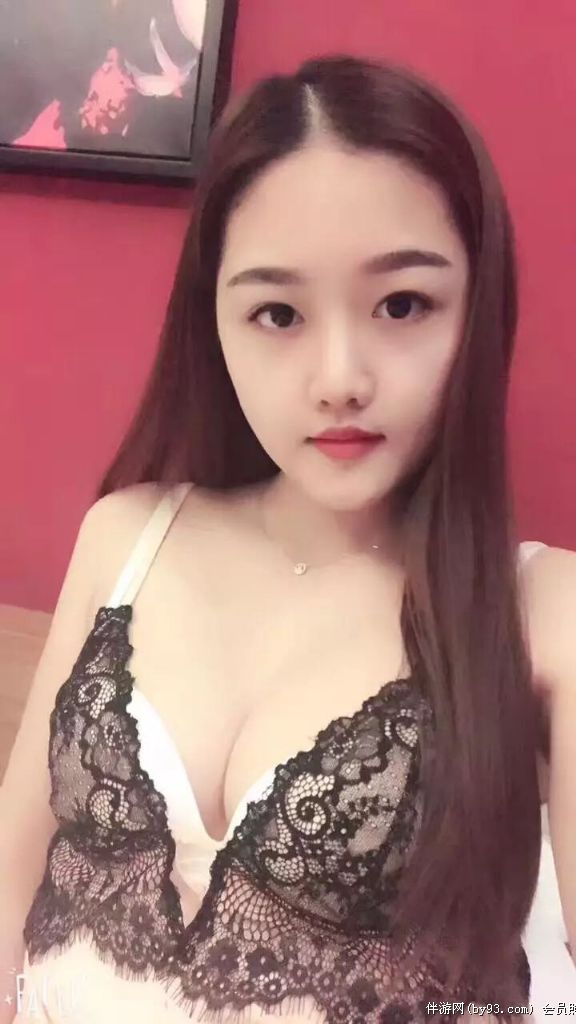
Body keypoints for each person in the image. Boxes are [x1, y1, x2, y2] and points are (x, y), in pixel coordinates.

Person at [1, 52, 573, 1024]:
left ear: (479, 310)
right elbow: (9, 886)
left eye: (402, 304)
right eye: (278, 313)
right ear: (215, 323)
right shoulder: (129, 537)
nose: (339, 377)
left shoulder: (543, 616)